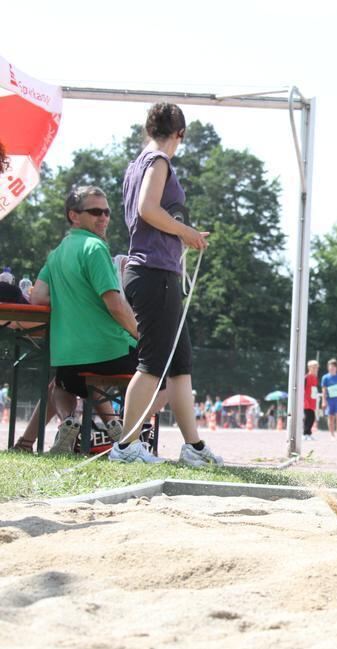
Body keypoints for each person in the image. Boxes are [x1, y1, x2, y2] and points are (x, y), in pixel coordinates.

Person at [117, 102, 221, 466]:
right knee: (152, 364)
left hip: (155, 272)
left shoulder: (136, 165)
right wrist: (187, 233)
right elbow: (148, 209)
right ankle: (126, 446)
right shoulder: (158, 161)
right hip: (154, 272)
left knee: (180, 364)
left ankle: (192, 447)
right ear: (180, 134)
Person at [26, 186, 150, 454]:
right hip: (110, 352)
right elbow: (116, 305)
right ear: (74, 215)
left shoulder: (57, 254)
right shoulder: (95, 248)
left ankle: (68, 421)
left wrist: (69, 297)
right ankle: (129, 437)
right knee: (163, 368)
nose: (104, 217)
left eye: (106, 212)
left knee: (60, 383)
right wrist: (142, 336)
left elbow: (37, 298)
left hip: (68, 360)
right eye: (95, 212)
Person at [320, 359, 337, 440]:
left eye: (333, 367)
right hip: (329, 399)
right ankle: (332, 435)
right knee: (330, 417)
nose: (332, 368)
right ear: (328, 367)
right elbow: (324, 390)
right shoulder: (325, 377)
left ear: (336, 368)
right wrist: (324, 401)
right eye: (330, 366)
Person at [303, 360, 320, 440]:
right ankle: (305, 434)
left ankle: (308, 433)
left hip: (312, 401)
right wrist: (304, 400)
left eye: (316, 368)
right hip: (306, 401)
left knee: (312, 417)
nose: (315, 369)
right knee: (309, 417)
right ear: (309, 368)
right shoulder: (306, 377)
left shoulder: (315, 378)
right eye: (313, 367)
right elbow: (303, 389)